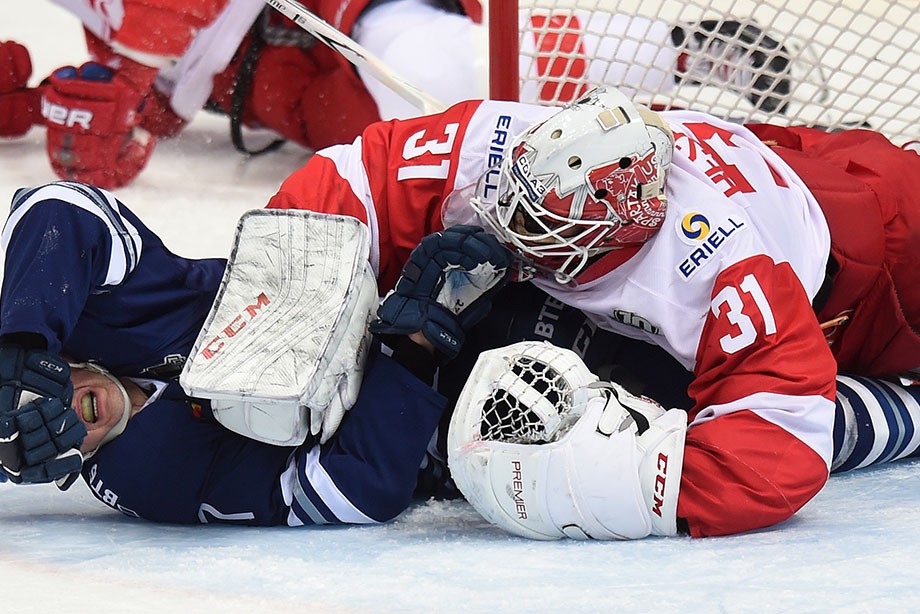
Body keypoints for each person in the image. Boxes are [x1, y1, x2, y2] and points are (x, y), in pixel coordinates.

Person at [264, 85, 920, 539]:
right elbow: (359, 171)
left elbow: (784, 449)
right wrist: (293, 307)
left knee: (803, 412)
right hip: (804, 156)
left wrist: (587, 483)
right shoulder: (532, 153)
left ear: (620, 231)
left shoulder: (722, 268)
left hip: (884, 277)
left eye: (541, 226)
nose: (508, 228)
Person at [0, 180, 515, 525]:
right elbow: (354, 486)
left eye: (39, 396)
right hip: (462, 425)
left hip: (389, 280)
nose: (63, 412)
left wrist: (21, 336)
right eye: (46, 436)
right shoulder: (146, 471)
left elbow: (57, 208)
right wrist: (412, 349)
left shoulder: (102, 316)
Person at [1, 0, 793, 188]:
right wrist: (60, 108)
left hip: (342, 11)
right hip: (277, 85)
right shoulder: (96, 21)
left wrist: (133, 77)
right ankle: (676, 122)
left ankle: (677, 61)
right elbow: (154, 98)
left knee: (443, 68)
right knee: (431, 142)